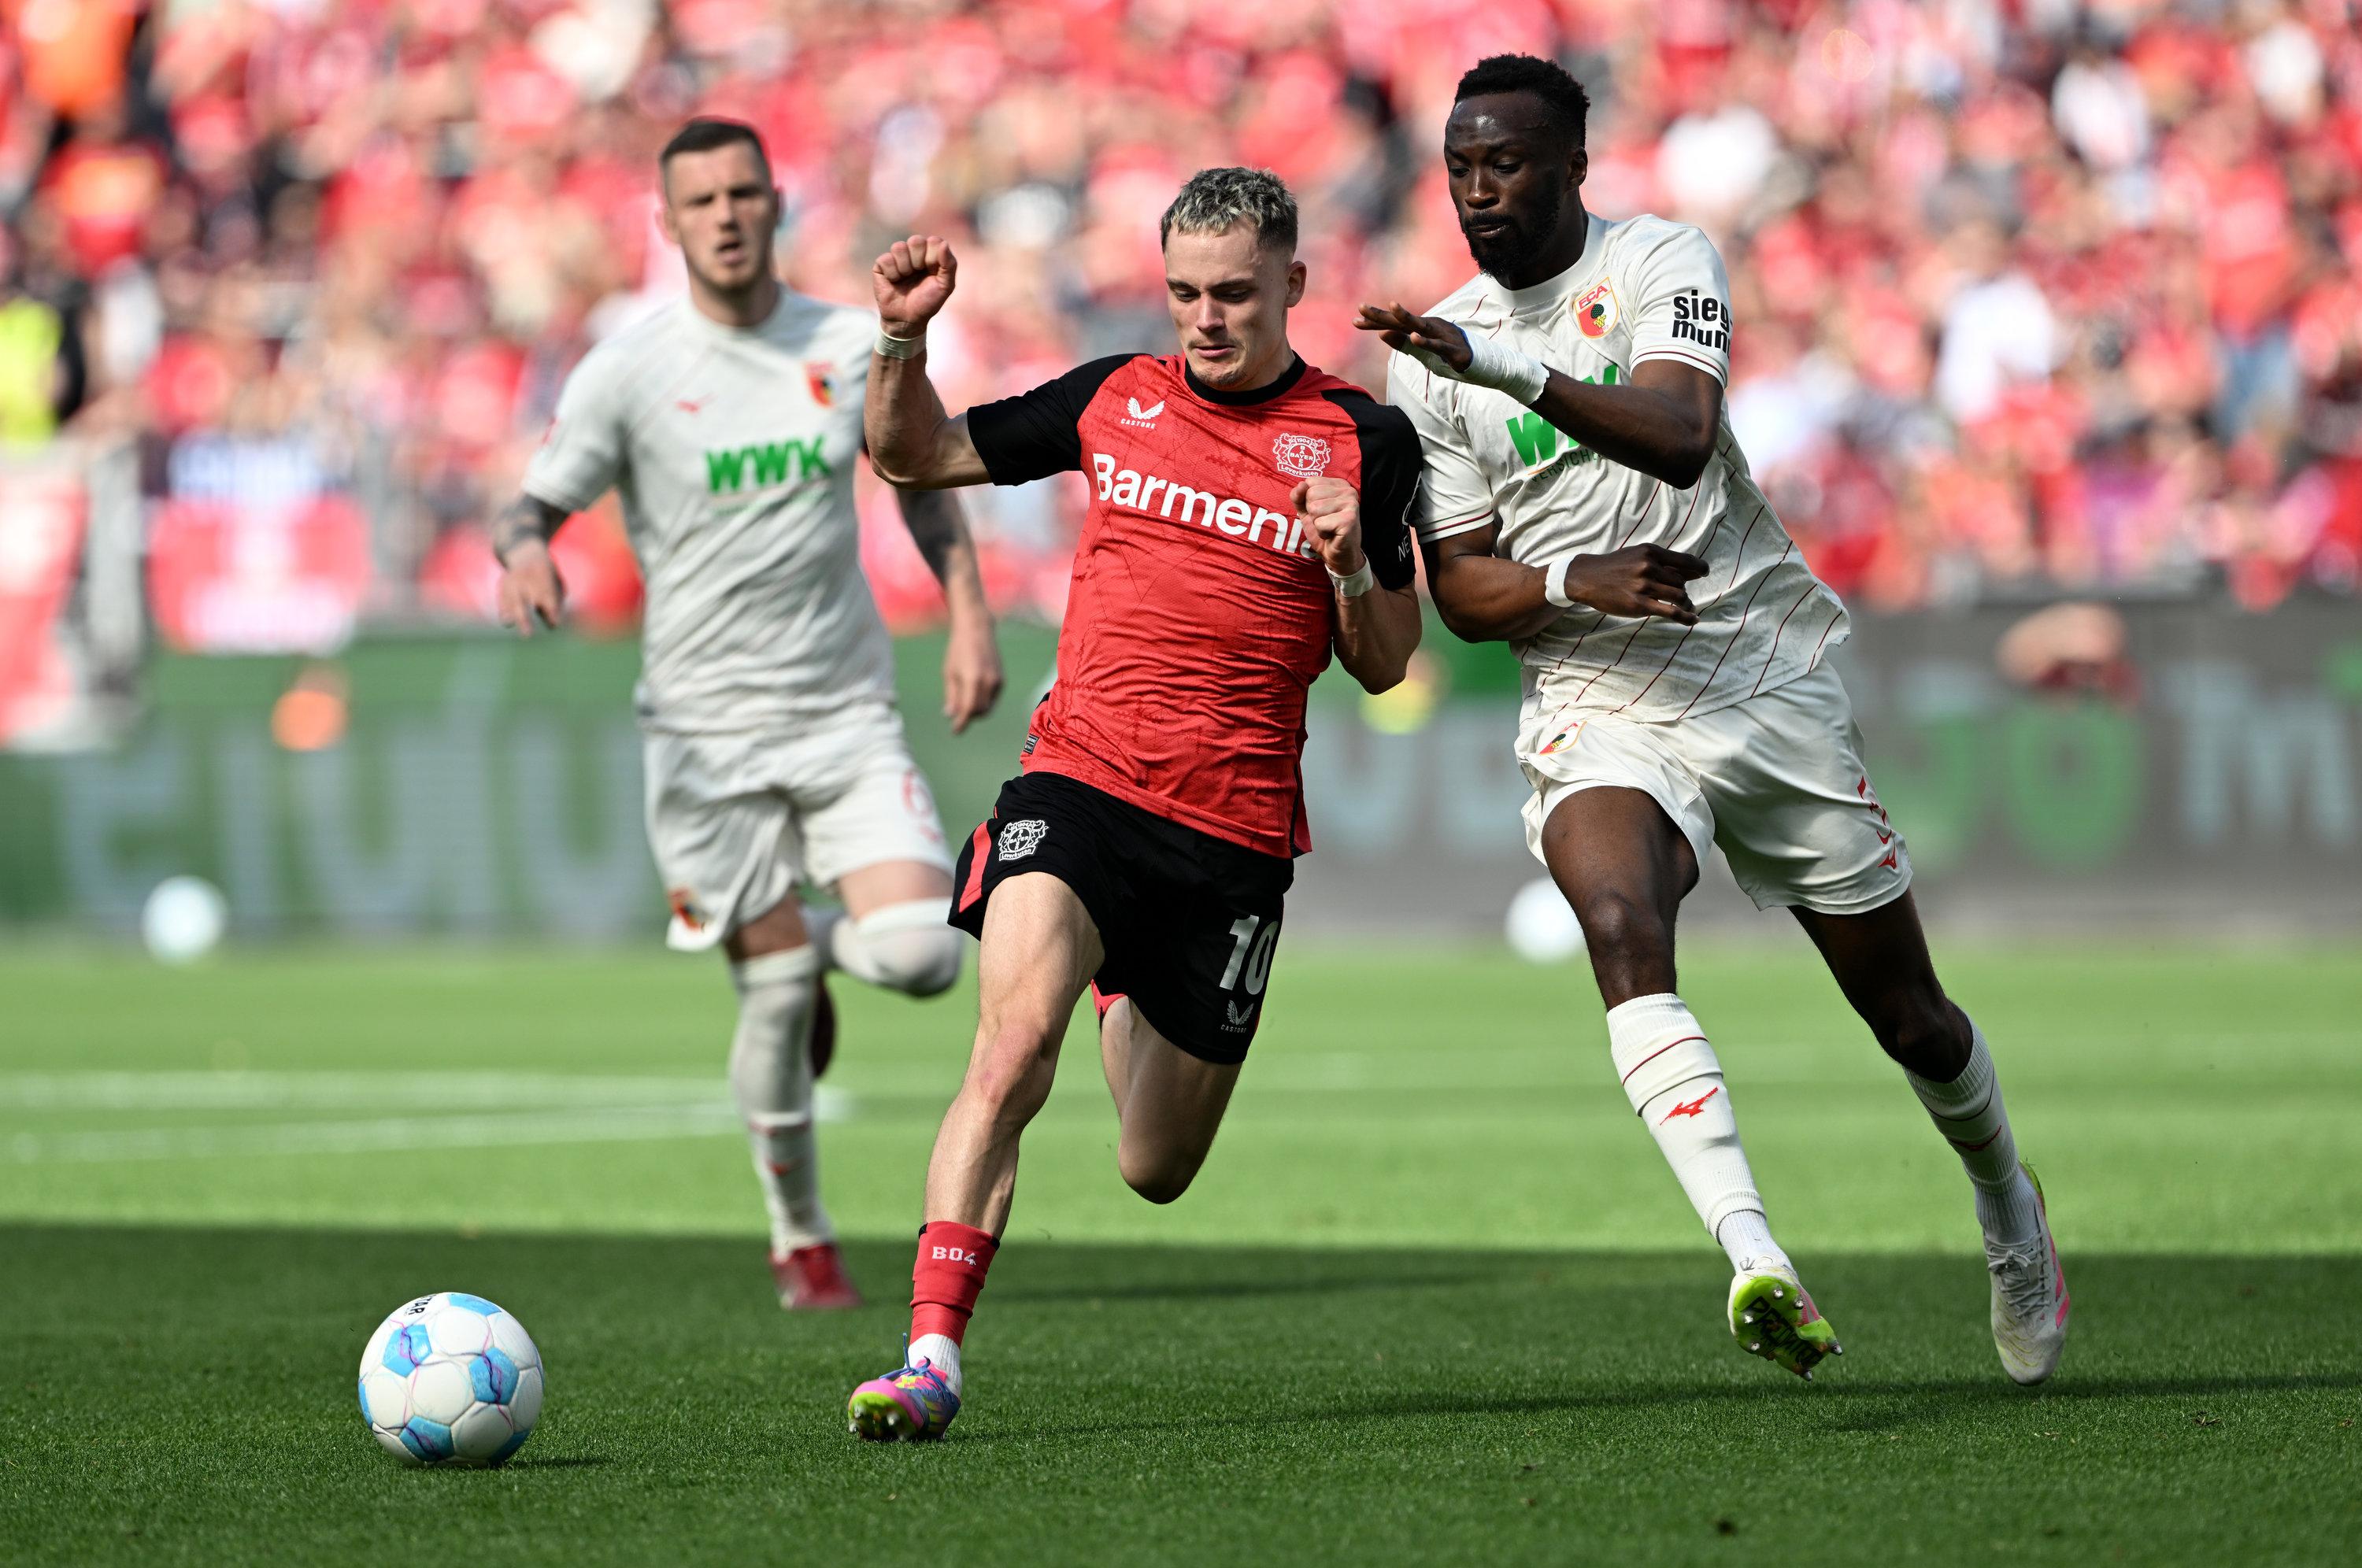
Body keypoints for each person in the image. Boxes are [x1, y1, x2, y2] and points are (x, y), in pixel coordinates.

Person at [1360, 55, 2068, 1384]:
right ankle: (1755, 1257)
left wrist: (1510, 366)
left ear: (1574, 165)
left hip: (1754, 668)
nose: (1478, 190)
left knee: (1909, 1017)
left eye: (1505, 164)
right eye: (1460, 169)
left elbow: (1683, 433)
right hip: (1595, 685)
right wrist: (1571, 581)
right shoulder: (1433, 359)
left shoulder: (1659, 261)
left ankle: (2008, 1207)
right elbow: (1461, 588)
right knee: (1619, 921)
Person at [843, 167, 1424, 1440]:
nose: (1205, 318)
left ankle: (1121, 979)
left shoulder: (1363, 439)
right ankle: (930, 1357)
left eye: (1234, 294)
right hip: (1081, 785)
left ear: (1292, 285)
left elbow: (1386, 661)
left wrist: (1348, 565)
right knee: (1010, 1051)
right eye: (1184, 293)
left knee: (1155, 1166)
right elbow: (912, 455)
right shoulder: (1117, 396)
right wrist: (900, 340)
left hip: (1233, 834)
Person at [491, 117, 1005, 1311]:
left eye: (742, 193)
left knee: (926, 957)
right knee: (775, 1003)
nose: (724, 215)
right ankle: (801, 1238)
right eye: (701, 200)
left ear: (776, 204)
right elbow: (530, 506)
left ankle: (801, 936)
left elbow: (921, 475)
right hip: (703, 737)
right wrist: (524, 555)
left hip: (842, 712)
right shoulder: (628, 369)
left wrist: (969, 614)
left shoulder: (847, 342)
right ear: (666, 223)